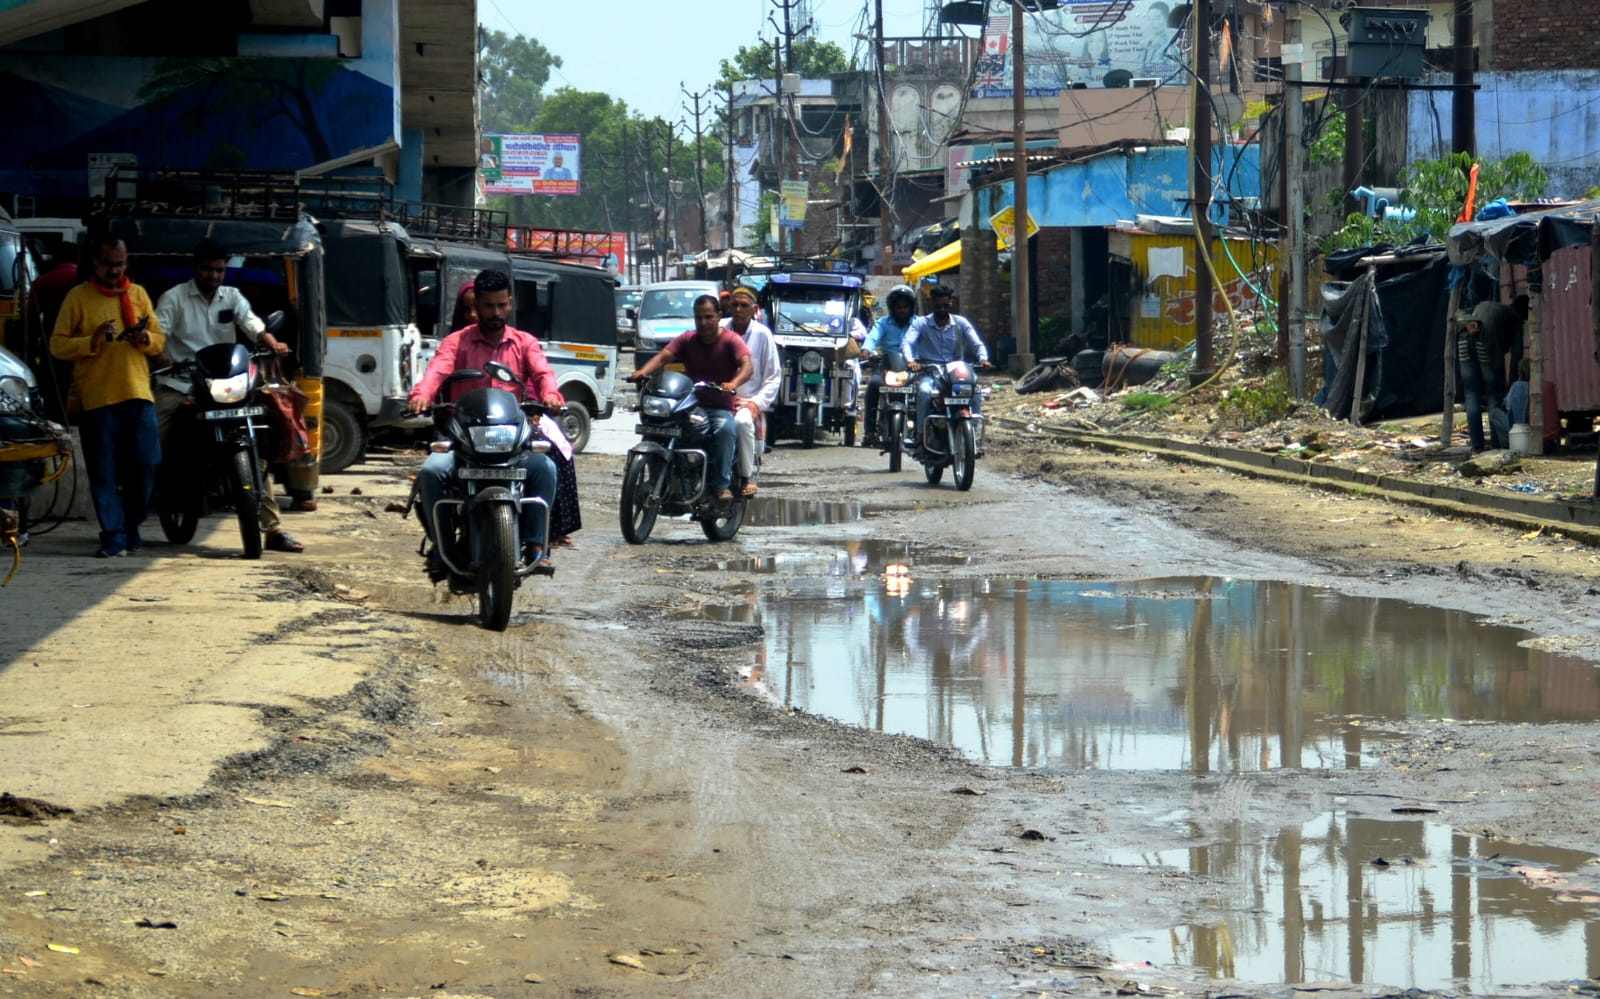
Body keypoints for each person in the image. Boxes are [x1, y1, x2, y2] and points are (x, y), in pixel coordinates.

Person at [407, 268, 562, 576]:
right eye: (489, 306)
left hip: (511, 440)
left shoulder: (524, 342)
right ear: (476, 305)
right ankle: (442, 546)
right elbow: (437, 370)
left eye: (502, 305)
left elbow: (543, 373)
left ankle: (535, 544)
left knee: (545, 468)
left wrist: (551, 394)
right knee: (432, 472)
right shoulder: (457, 342)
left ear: (510, 303)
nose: (496, 313)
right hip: (464, 439)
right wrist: (422, 394)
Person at [153, 239, 302, 554]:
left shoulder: (231, 297)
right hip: (182, 383)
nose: (214, 275)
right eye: (207, 269)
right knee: (151, 438)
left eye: (219, 270)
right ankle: (142, 503)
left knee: (257, 447)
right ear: (195, 268)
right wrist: (160, 358)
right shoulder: (174, 298)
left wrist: (272, 342)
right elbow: (158, 336)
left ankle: (274, 530)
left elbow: (251, 324)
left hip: (225, 383)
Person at [49, 234, 167, 558]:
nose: (115, 271)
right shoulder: (78, 297)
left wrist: (143, 337)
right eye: (109, 265)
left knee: (146, 462)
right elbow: (57, 345)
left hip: (137, 393)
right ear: (95, 264)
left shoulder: (138, 294)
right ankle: (113, 535)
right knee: (103, 472)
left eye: (120, 264)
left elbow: (159, 341)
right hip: (97, 398)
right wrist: (92, 340)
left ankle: (131, 525)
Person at [629, 294, 752, 502]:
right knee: (659, 427)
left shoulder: (731, 340)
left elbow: (747, 366)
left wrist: (733, 384)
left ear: (719, 316)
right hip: (689, 404)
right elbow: (663, 357)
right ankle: (664, 475)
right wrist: (642, 372)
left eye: (708, 317)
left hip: (718, 407)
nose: (703, 322)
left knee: (725, 429)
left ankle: (722, 485)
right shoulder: (687, 339)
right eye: (698, 318)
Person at [902, 284, 991, 450]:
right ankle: (921, 435)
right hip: (930, 372)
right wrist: (910, 361)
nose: (942, 309)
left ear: (951, 304)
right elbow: (907, 343)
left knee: (976, 392)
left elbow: (977, 342)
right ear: (932, 305)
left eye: (945, 306)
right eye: (938, 306)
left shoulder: (960, 323)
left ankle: (972, 434)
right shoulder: (921, 323)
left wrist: (983, 359)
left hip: (955, 372)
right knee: (925, 392)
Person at [721, 286, 780, 496]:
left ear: (754, 309)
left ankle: (748, 473)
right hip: (718, 397)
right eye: (734, 305)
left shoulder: (763, 335)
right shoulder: (719, 328)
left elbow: (773, 377)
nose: (738, 309)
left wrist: (756, 403)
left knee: (741, 422)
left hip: (747, 400)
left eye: (743, 306)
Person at [860, 284, 917, 447]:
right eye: (899, 307)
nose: (902, 310)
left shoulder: (919, 323)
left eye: (906, 307)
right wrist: (866, 349)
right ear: (893, 308)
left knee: (923, 392)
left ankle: (921, 432)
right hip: (887, 365)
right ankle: (869, 432)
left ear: (911, 307)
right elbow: (872, 337)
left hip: (911, 367)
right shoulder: (883, 323)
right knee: (874, 385)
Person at [1455, 307, 1505, 453]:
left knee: (1471, 394)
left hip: (1463, 344)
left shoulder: (1468, 303)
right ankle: (1496, 441)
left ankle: (1477, 444)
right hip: (1482, 343)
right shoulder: (1497, 313)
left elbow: (1457, 315)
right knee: (1492, 394)